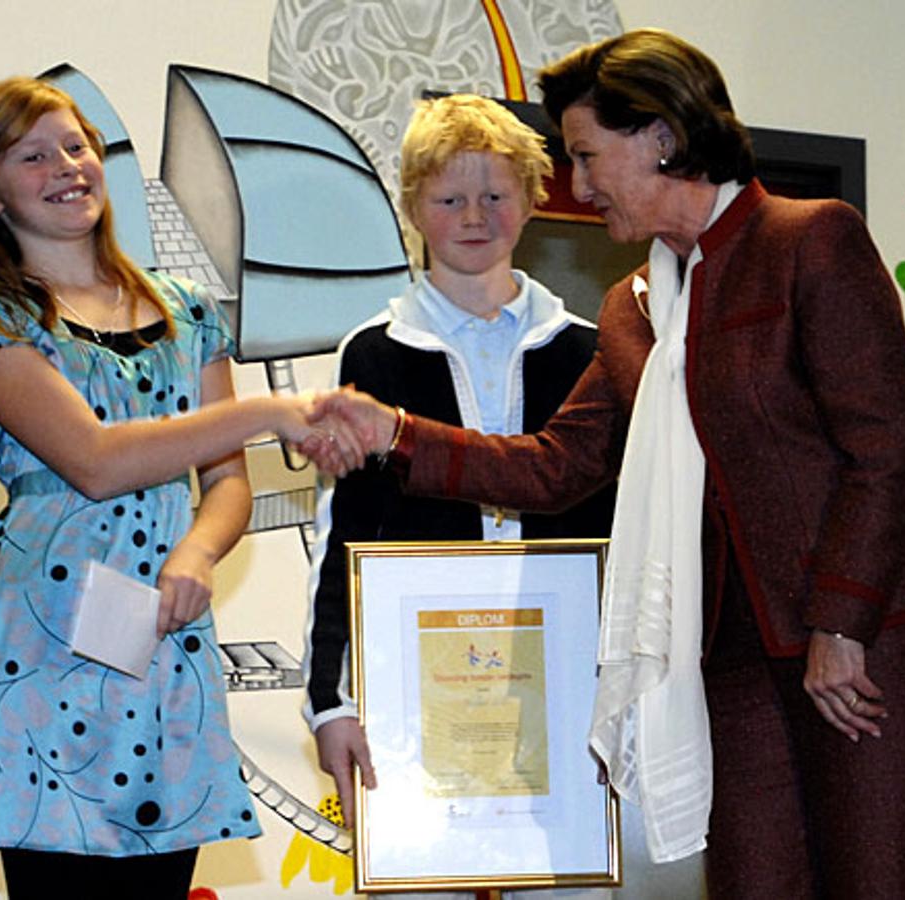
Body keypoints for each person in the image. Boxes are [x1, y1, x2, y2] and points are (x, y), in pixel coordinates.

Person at [309, 29, 905, 900]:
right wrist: (396, 432)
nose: (578, 188)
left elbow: (887, 448)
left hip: (869, 638)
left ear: (661, 135)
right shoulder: (636, 308)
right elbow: (554, 467)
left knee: (888, 883)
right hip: (730, 657)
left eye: (587, 157)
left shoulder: (810, 239)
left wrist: (841, 625)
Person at [0, 77, 339, 899]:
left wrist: (199, 550)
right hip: (49, 644)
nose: (66, 166)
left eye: (75, 146)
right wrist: (268, 412)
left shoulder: (187, 309)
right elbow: (96, 459)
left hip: (165, 637)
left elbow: (226, 480)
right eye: (32, 156)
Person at [302, 93, 615, 841]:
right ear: (414, 207)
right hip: (417, 682)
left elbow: (617, 528)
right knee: (428, 872)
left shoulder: (592, 351)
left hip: (571, 683)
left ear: (533, 200)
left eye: (495, 196)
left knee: (569, 874)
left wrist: (626, 685)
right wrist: (330, 700)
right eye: (449, 199)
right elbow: (343, 532)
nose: (474, 217)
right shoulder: (372, 352)